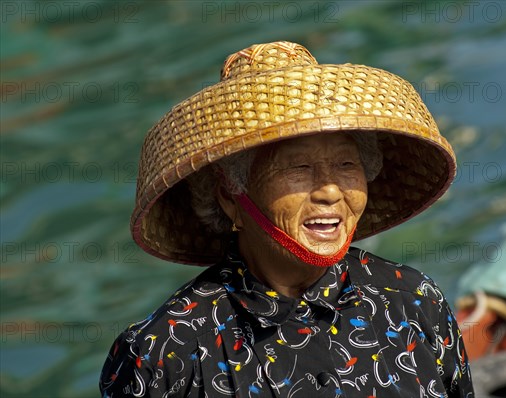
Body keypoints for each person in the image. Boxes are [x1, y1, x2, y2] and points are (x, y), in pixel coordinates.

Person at [100, 41, 473, 397]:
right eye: (298, 167)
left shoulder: (413, 300)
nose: (329, 191)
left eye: (346, 164)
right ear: (230, 196)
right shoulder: (164, 352)